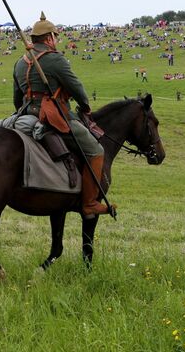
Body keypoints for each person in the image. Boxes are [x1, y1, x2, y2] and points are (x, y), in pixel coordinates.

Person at [13, 12, 111, 217]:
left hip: (25, 113)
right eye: (55, 37)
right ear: (49, 38)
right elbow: (77, 89)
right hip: (53, 115)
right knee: (96, 150)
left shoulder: (20, 62)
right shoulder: (54, 59)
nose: (56, 41)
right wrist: (85, 107)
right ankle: (90, 203)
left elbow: (17, 97)